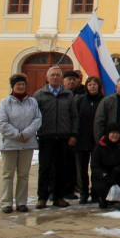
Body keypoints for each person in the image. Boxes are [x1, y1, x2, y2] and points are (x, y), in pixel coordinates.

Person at [0, 74, 42, 213]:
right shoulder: (5, 102)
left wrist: (26, 133)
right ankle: (6, 203)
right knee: (8, 174)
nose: (21, 87)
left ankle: (22, 202)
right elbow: (1, 123)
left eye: (22, 84)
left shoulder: (32, 102)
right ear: (13, 86)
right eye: (18, 85)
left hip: (27, 143)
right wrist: (17, 134)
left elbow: (37, 119)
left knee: (23, 174)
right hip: (9, 144)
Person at [34, 66, 78, 208]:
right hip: (46, 136)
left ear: (61, 78)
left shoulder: (68, 94)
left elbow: (74, 116)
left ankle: (59, 197)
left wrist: (73, 134)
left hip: (64, 136)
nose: (54, 77)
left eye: (57, 75)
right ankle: (42, 197)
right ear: (47, 78)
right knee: (45, 168)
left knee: (61, 168)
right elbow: (34, 116)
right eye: (52, 75)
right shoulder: (39, 95)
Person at [74, 76, 104, 204]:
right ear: (86, 86)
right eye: (90, 84)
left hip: (98, 139)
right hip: (82, 139)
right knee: (82, 168)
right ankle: (84, 192)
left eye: (94, 84)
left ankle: (95, 192)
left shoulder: (103, 100)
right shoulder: (80, 100)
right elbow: (75, 118)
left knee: (97, 167)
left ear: (99, 86)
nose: (92, 87)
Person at [91, 123, 120, 211]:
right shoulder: (99, 146)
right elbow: (94, 165)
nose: (115, 135)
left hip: (118, 172)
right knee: (100, 180)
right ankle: (104, 199)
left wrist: (118, 169)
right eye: (112, 133)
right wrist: (103, 174)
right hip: (104, 174)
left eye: (117, 133)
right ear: (108, 134)